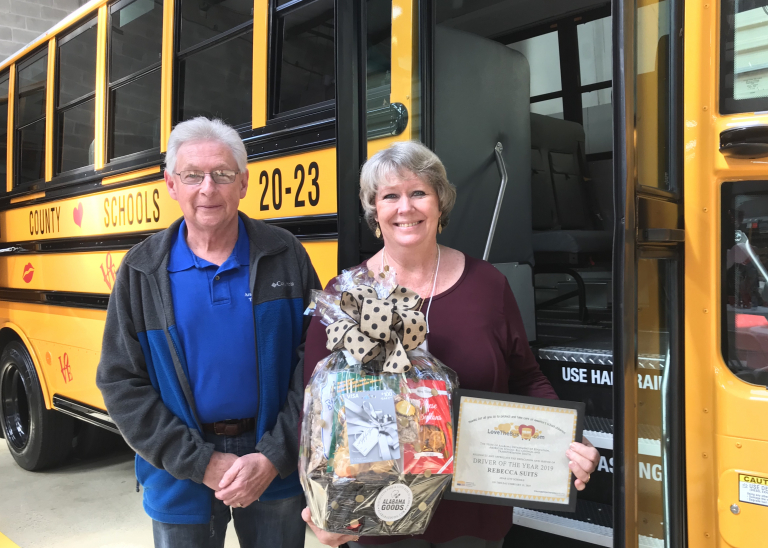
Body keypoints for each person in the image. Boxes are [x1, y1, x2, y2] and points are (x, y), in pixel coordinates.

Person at [300, 140, 600, 548]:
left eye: (419, 192)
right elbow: (318, 418)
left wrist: (566, 439)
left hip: (475, 513)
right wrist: (322, 505)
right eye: (390, 196)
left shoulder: (488, 285)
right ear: (375, 212)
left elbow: (527, 377)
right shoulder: (344, 298)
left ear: (440, 203)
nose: (405, 208)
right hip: (378, 513)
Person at [97, 117, 319, 548]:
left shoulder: (284, 254)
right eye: (192, 175)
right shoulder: (142, 270)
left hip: (274, 463)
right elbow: (120, 382)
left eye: (221, 175)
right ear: (171, 184)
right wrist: (201, 463)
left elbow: (314, 365)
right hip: (180, 474)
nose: (207, 189)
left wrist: (273, 456)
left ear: (244, 182)